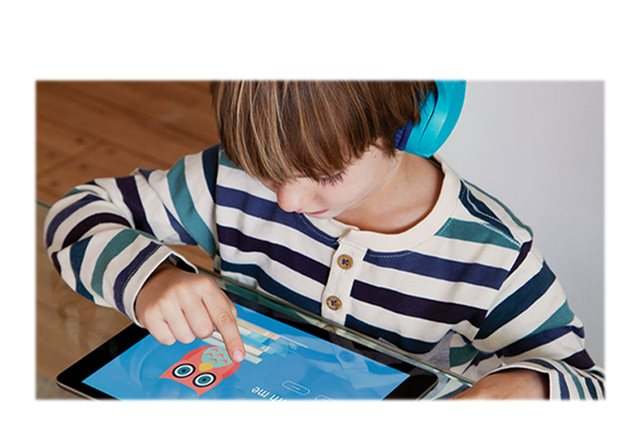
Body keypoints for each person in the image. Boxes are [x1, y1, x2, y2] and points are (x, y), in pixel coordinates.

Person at [43, 80, 604, 399]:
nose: (288, 200)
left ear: (411, 125)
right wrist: (150, 279)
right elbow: (76, 212)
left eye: (326, 174)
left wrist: (523, 390)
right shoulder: (226, 181)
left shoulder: (492, 256)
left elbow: (589, 387)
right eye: (267, 170)